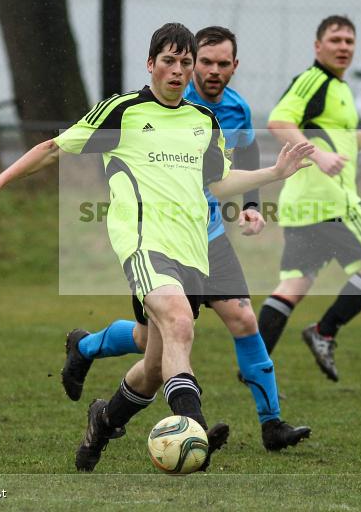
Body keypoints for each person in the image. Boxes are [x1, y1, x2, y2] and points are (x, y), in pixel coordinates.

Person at [0, 23, 313, 472]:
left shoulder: (202, 121)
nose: (179, 71)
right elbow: (55, 148)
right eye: (170, 61)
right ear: (151, 64)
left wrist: (273, 174)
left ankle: (103, 420)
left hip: (193, 250)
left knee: (153, 364)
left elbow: (219, 181)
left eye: (185, 63)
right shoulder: (123, 111)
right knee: (179, 322)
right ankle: (194, 427)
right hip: (145, 244)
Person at [60, 26, 311, 452]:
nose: (212, 71)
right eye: (205, 62)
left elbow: (238, 162)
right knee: (151, 343)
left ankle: (271, 425)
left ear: (235, 66)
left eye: (222, 64)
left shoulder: (233, 110)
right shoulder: (169, 100)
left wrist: (252, 203)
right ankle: (87, 350)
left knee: (243, 320)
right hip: (159, 239)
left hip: (209, 237)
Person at [257, 15, 361, 382]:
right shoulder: (312, 80)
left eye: (349, 41)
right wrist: (317, 157)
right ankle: (324, 332)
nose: (343, 47)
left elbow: (336, 142)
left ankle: (253, 365)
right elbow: (278, 122)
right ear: (317, 46)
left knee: (295, 284)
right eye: (335, 39)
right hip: (331, 201)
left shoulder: (340, 88)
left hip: (304, 203)